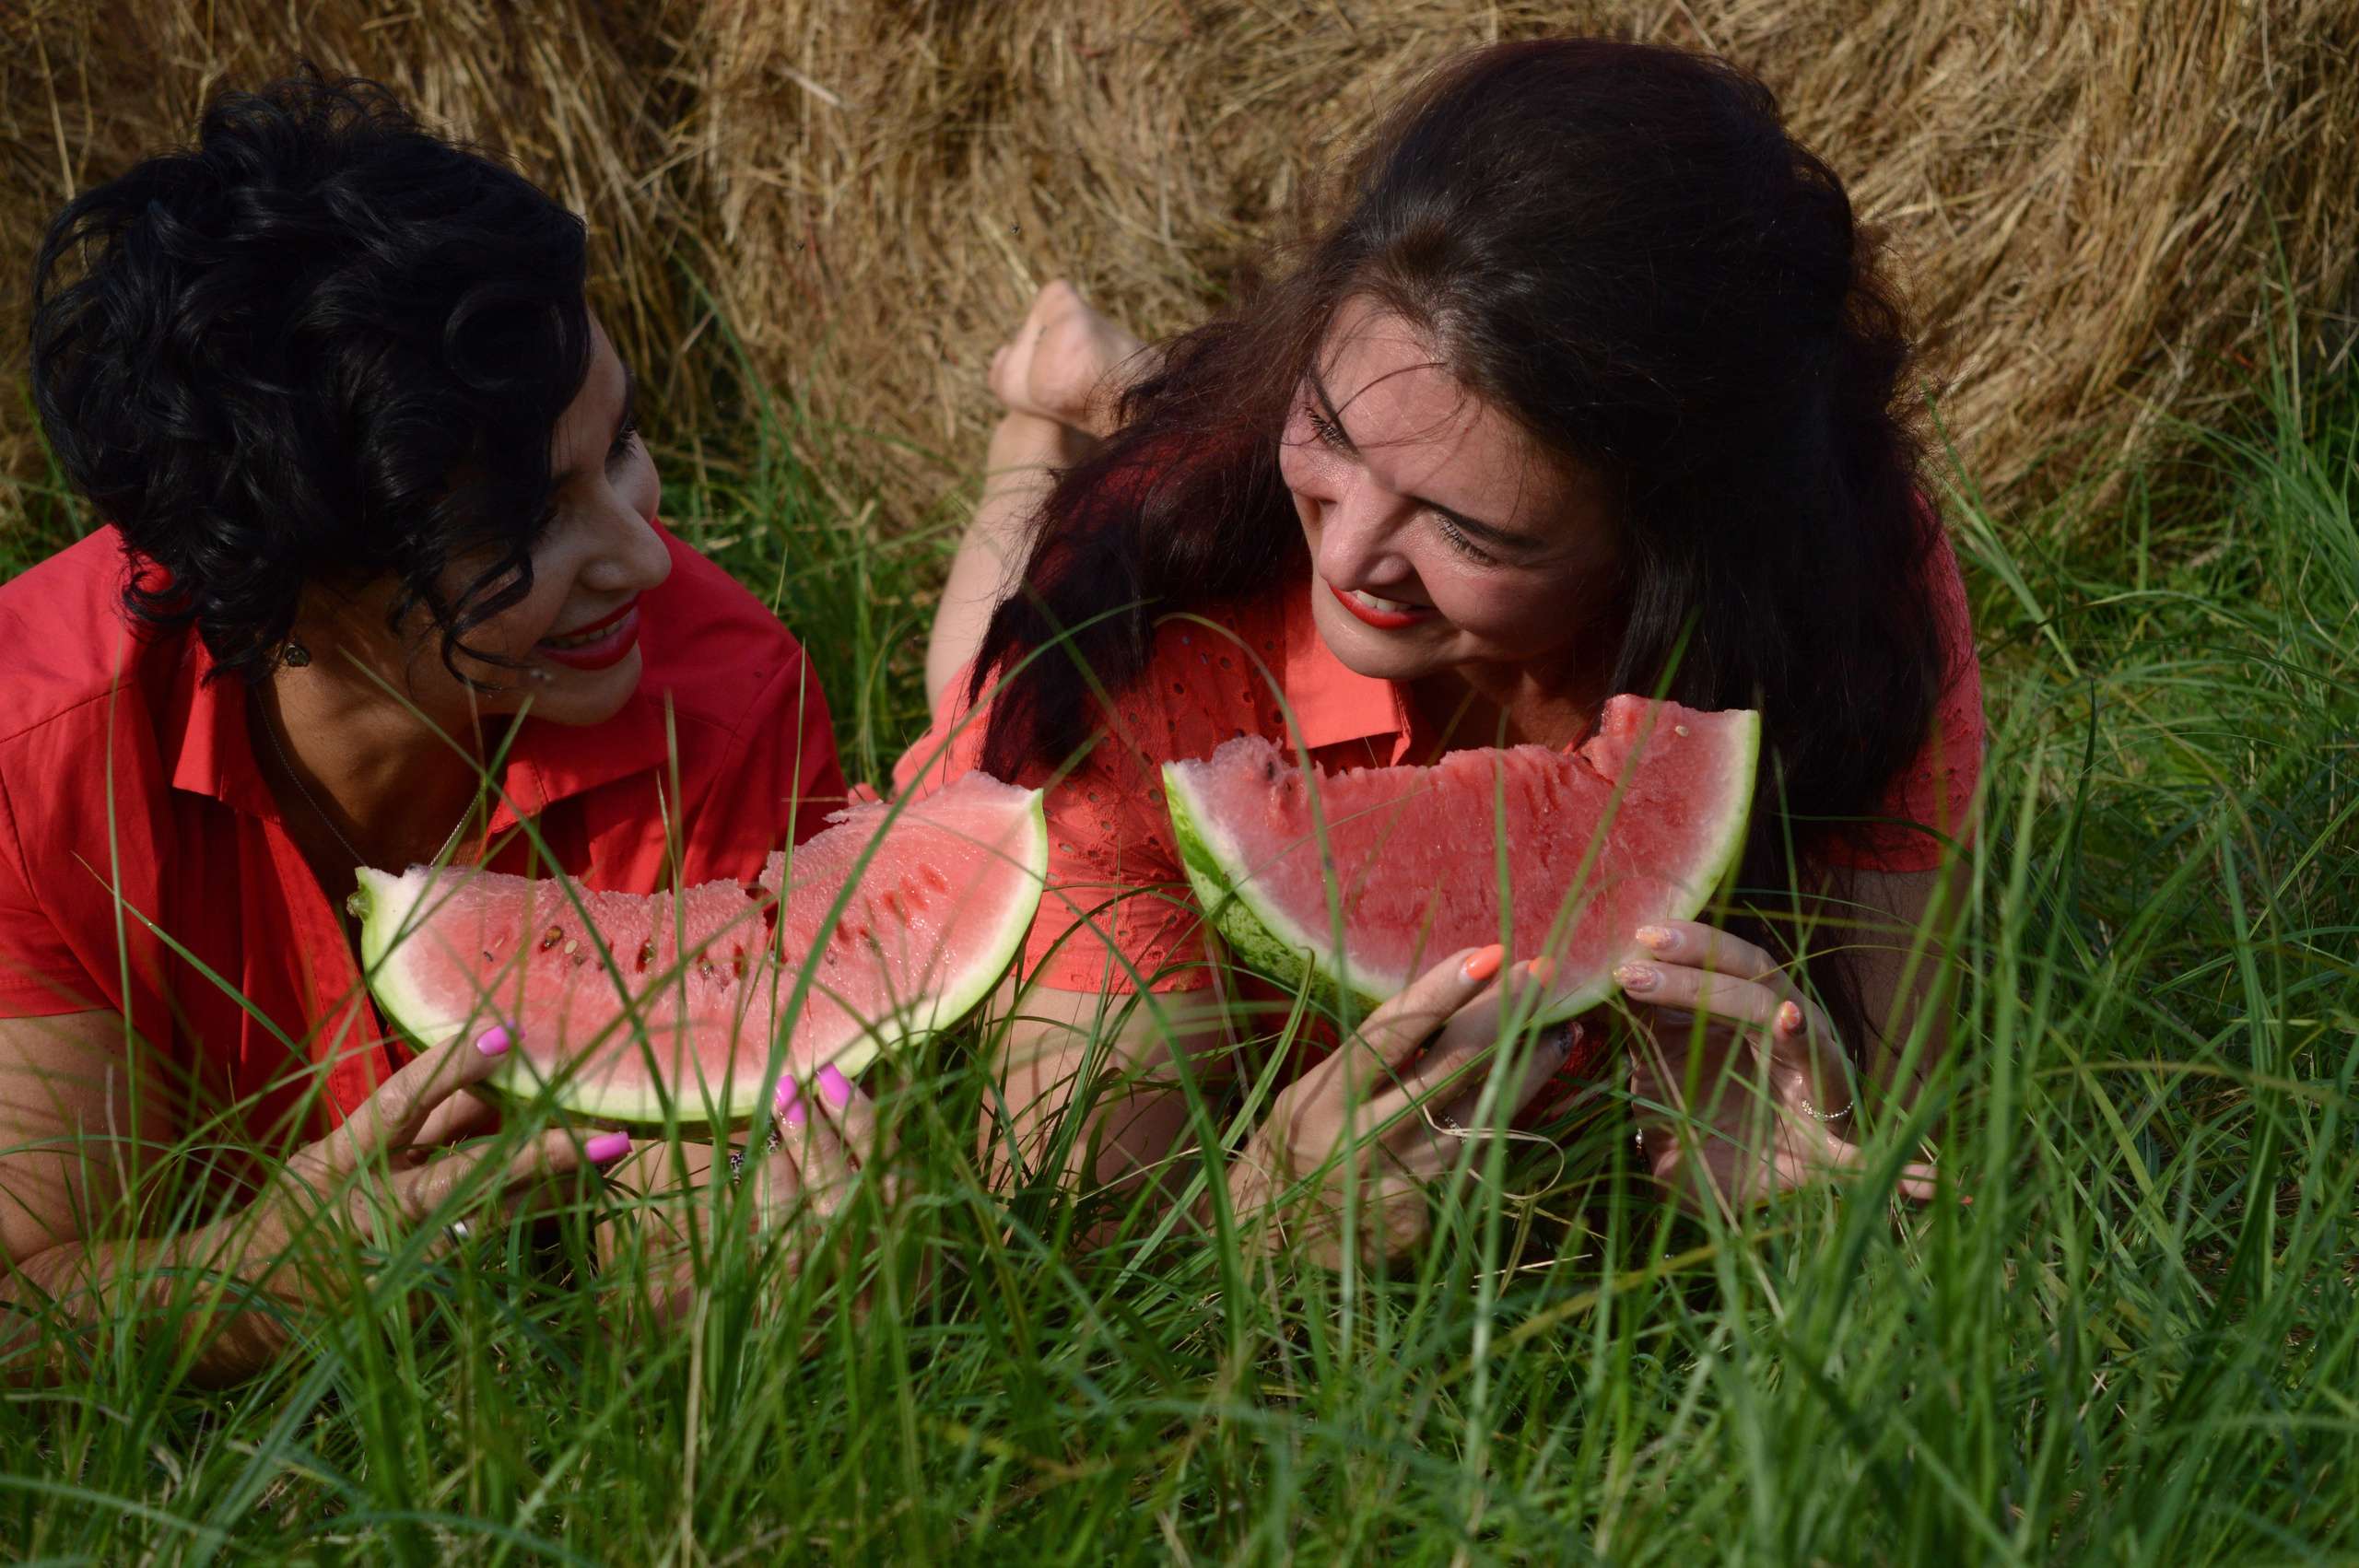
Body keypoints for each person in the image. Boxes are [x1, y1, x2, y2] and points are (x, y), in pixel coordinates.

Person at [907, 38, 1978, 1252]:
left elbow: (1896, 1134)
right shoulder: (1155, 644)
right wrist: (1267, 1224)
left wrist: (1804, 1210)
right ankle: (1051, 408)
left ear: (1668, 547)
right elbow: (1064, 1243)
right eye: (1328, 426)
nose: (1353, 557)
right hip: (1113, 646)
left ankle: (1157, 396)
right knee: (968, 691)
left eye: (1471, 526)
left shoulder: (1841, 594)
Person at [0, 78, 868, 1380]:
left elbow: (689, 1217)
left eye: (620, 445)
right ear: (278, 577)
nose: (642, 555)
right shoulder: (34, 751)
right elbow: (31, 1307)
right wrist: (261, 1277)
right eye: (522, 523)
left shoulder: (727, 698)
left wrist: (713, 1279)